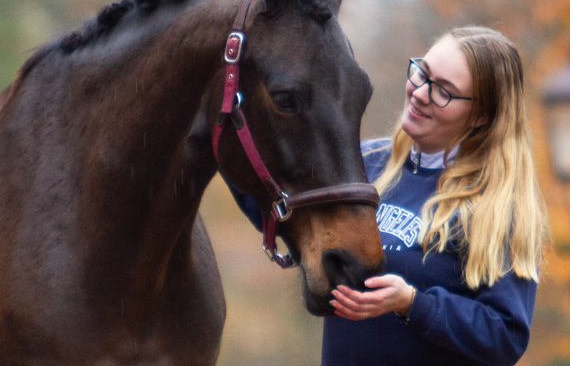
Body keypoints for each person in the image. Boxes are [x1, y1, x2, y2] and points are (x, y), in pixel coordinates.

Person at [233, 26, 550, 365]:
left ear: (481, 115)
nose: (420, 93)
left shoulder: (496, 206)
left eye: (443, 90)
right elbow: (279, 213)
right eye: (422, 73)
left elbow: (506, 335)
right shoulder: (362, 167)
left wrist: (414, 304)